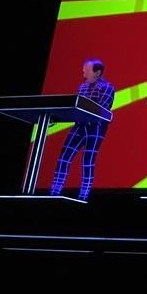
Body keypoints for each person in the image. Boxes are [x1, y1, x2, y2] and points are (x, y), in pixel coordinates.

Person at [50, 58, 115, 200]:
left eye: (87, 70)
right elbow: (77, 106)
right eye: (83, 70)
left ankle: (84, 195)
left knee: (88, 161)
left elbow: (101, 109)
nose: (83, 73)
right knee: (64, 158)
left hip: (95, 128)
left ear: (97, 72)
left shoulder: (107, 88)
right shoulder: (82, 87)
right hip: (79, 126)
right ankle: (55, 191)